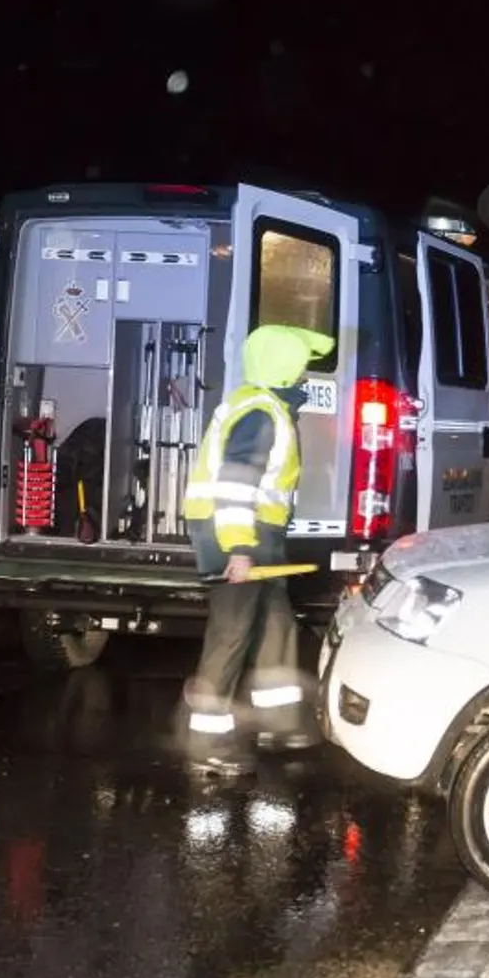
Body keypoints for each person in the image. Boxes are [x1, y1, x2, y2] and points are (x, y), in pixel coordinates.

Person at [179, 324, 336, 776]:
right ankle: (204, 742)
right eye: (302, 365)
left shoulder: (265, 408)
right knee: (232, 633)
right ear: (285, 368)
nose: (306, 374)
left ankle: (280, 722)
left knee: (276, 625)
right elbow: (235, 486)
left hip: (255, 535)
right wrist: (239, 549)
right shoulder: (261, 415)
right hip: (235, 534)